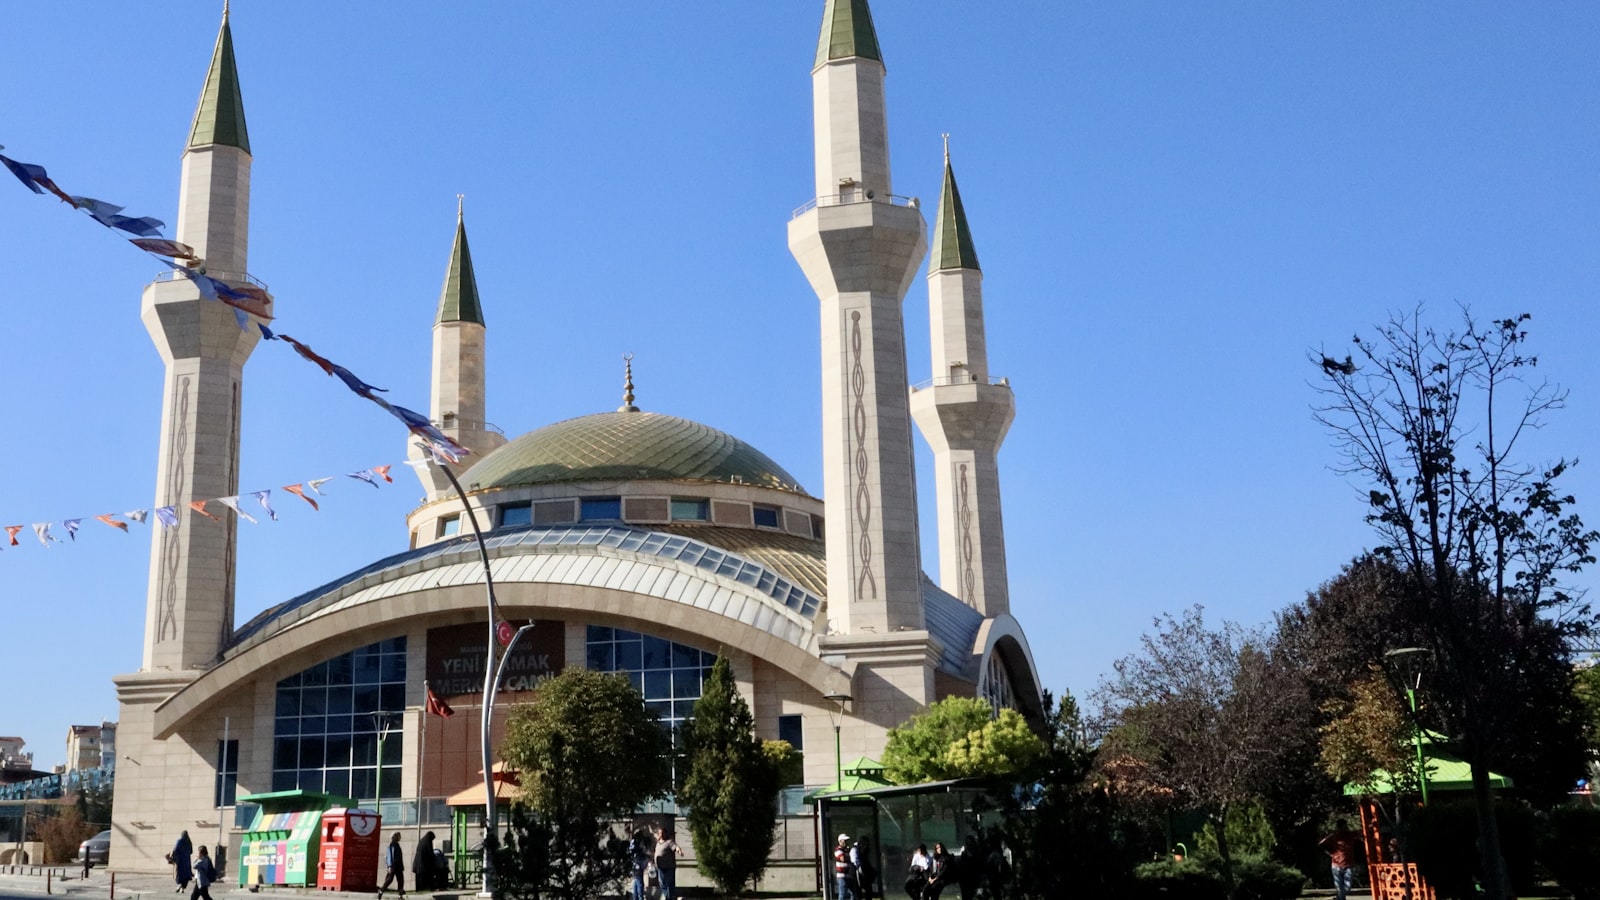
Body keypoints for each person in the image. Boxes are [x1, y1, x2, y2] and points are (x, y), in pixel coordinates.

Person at [1319, 818, 1361, 900]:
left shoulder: (1350, 835)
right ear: (1339, 827)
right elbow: (1321, 844)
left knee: (1347, 888)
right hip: (1336, 865)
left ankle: (1338, 898)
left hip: (1349, 865)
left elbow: (1360, 833)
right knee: (1339, 888)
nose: (1345, 829)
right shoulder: (1334, 837)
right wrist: (1331, 854)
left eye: (1346, 827)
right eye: (1343, 827)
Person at [652, 825, 679, 900]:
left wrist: (679, 850)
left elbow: (675, 847)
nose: (661, 835)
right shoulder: (658, 843)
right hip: (660, 867)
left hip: (668, 867)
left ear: (666, 834)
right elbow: (656, 852)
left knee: (669, 884)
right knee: (662, 884)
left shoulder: (669, 842)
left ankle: (670, 897)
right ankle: (668, 896)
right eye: (660, 833)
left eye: (663, 833)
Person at [378, 833, 406, 899]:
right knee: (390, 879)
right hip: (394, 865)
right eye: (399, 836)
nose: (400, 838)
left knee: (400, 880)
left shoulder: (396, 845)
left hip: (397, 865)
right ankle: (381, 890)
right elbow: (390, 856)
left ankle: (400, 895)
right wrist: (390, 866)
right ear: (395, 837)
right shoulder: (392, 845)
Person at [628, 828, 652, 900]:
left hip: (636, 862)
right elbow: (639, 851)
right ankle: (640, 897)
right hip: (638, 862)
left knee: (636, 881)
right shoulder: (637, 842)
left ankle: (635, 897)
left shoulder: (634, 842)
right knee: (640, 881)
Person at [833, 833, 856, 900]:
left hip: (848, 875)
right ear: (840, 841)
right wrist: (850, 857)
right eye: (844, 840)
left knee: (853, 892)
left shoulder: (847, 850)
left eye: (847, 840)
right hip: (842, 876)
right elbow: (842, 859)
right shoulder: (838, 850)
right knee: (843, 893)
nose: (846, 842)